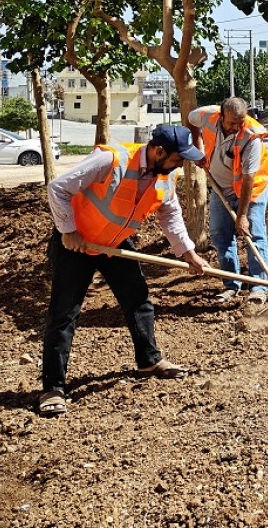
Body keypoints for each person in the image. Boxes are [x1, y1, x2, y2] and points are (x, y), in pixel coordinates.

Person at [40, 125, 208, 417]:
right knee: (64, 313)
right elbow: (58, 188)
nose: (181, 163)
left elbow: (170, 216)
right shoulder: (112, 160)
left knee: (138, 300)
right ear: (159, 151)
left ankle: (149, 360)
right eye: (178, 158)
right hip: (77, 244)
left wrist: (189, 253)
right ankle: (53, 388)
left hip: (115, 244)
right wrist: (67, 230)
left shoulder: (165, 177)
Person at [188, 97, 268, 306]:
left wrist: (242, 215)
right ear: (221, 116)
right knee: (220, 234)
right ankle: (231, 285)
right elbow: (191, 121)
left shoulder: (251, 137)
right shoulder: (207, 116)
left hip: (251, 189)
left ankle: (259, 287)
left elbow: (248, 178)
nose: (237, 126)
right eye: (232, 122)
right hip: (221, 188)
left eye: (240, 121)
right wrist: (197, 146)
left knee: (253, 234)